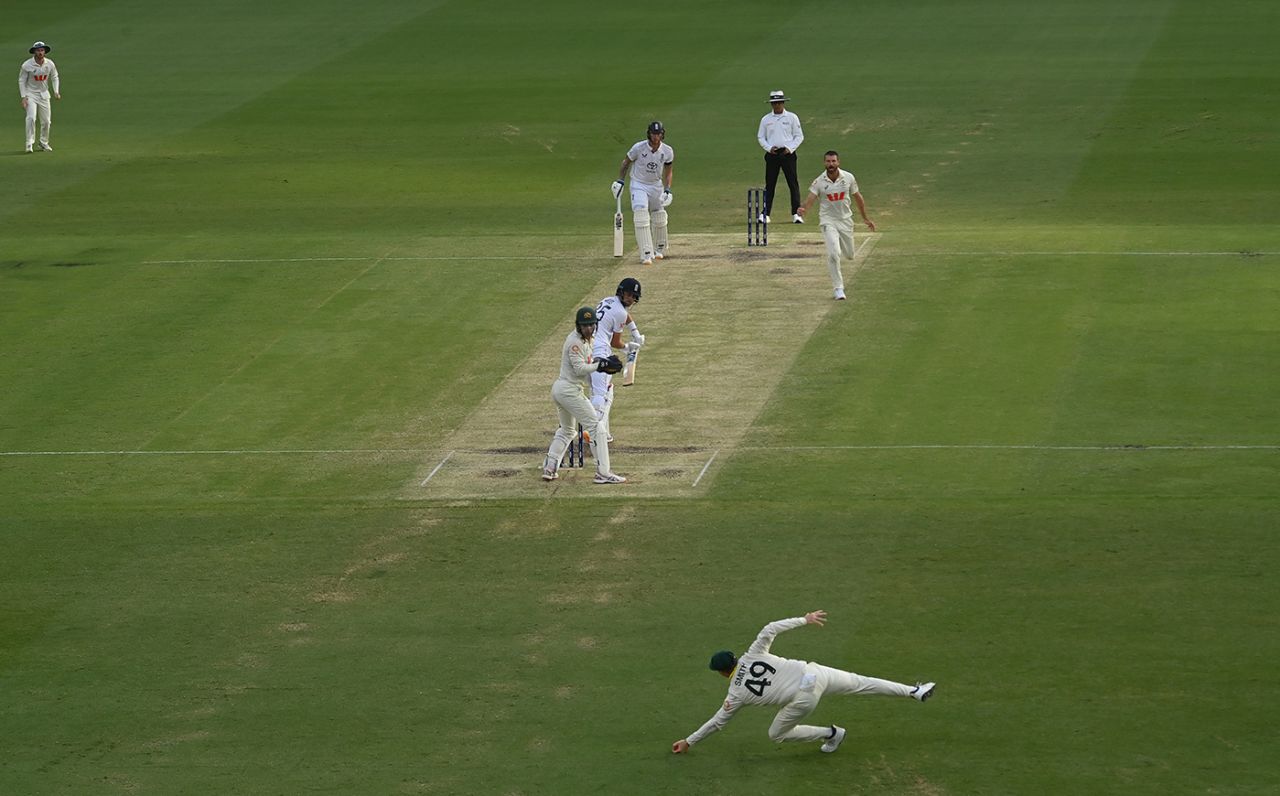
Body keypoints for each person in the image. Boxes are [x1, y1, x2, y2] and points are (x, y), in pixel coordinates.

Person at [671, 610, 934, 755]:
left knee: (776, 734)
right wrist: (804, 620)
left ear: (720, 673)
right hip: (815, 672)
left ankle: (832, 734)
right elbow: (770, 627)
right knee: (861, 682)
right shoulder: (753, 654)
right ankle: (914, 690)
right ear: (735, 658)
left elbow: (718, 722)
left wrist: (689, 741)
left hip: (804, 698)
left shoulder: (736, 693)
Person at [542, 306, 626, 484]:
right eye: (584, 326)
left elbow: (587, 371)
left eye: (591, 325)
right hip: (568, 390)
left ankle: (550, 467)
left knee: (568, 430)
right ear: (578, 326)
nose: (588, 329)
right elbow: (580, 368)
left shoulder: (590, 341)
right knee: (596, 428)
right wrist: (600, 365)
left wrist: (601, 371)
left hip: (565, 390)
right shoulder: (575, 342)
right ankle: (603, 472)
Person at [797, 150, 877, 300]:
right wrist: (804, 210)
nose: (831, 164)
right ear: (824, 163)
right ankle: (838, 288)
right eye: (828, 161)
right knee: (834, 254)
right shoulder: (819, 181)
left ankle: (839, 241)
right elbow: (811, 199)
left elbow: (858, 198)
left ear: (838, 162)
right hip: (828, 221)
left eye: (833, 161)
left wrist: (865, 218)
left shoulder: (848, 177)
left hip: (845, 220)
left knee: (850, 255)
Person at [612, 121, 674, 266]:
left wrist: (668, 188)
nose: (656, 137)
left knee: (659, 214)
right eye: (653, 134)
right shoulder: (638, 148)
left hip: (656, 185)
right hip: (639, 184)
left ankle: (659, 249)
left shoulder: (668, 151)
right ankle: (646, 253)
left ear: (662, 134)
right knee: (641, 213)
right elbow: (626, 162)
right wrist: (620, 180)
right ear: (649, 133)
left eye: (658, 134)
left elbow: (669, 171)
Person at [590, 277, 645, 440]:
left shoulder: (608, 300)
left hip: (587, 349)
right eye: (629, 295)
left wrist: (635, 332)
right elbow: (615, 342)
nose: (631, 299)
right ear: (622, 292)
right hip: (600, 353)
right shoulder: (620, 311)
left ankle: (604, 433)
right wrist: (628, 348)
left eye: (634, 297)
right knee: (602, 394)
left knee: (601, 391)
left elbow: (625, 316)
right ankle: (593, 434)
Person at [756, 90, 805, 224]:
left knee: (793, 184)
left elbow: (799, 136)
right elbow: (761, 137)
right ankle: (765, 214)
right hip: (772, 154)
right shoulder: (766, 119)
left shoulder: (792, 117)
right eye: (774, 103)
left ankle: (796, 214)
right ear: (771, 104)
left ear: (783, 103)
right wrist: (768, 148)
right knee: (770, 184)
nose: (777, 105)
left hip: (788, 154)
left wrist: (790, 148)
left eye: (779, 102)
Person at [18, 41, 60, 154]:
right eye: (38, 50)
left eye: (42, 50)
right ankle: (29, 143)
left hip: (44, 94)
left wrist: (56, 91)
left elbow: (55, 76)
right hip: (31, 94)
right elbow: (22, 80)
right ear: (34, 52)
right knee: (31, 118)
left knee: (46, 121)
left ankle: (43, 142)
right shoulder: (27, 65)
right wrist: (24, 96)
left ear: (45, 51)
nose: (40, 52)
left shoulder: (49, 64)